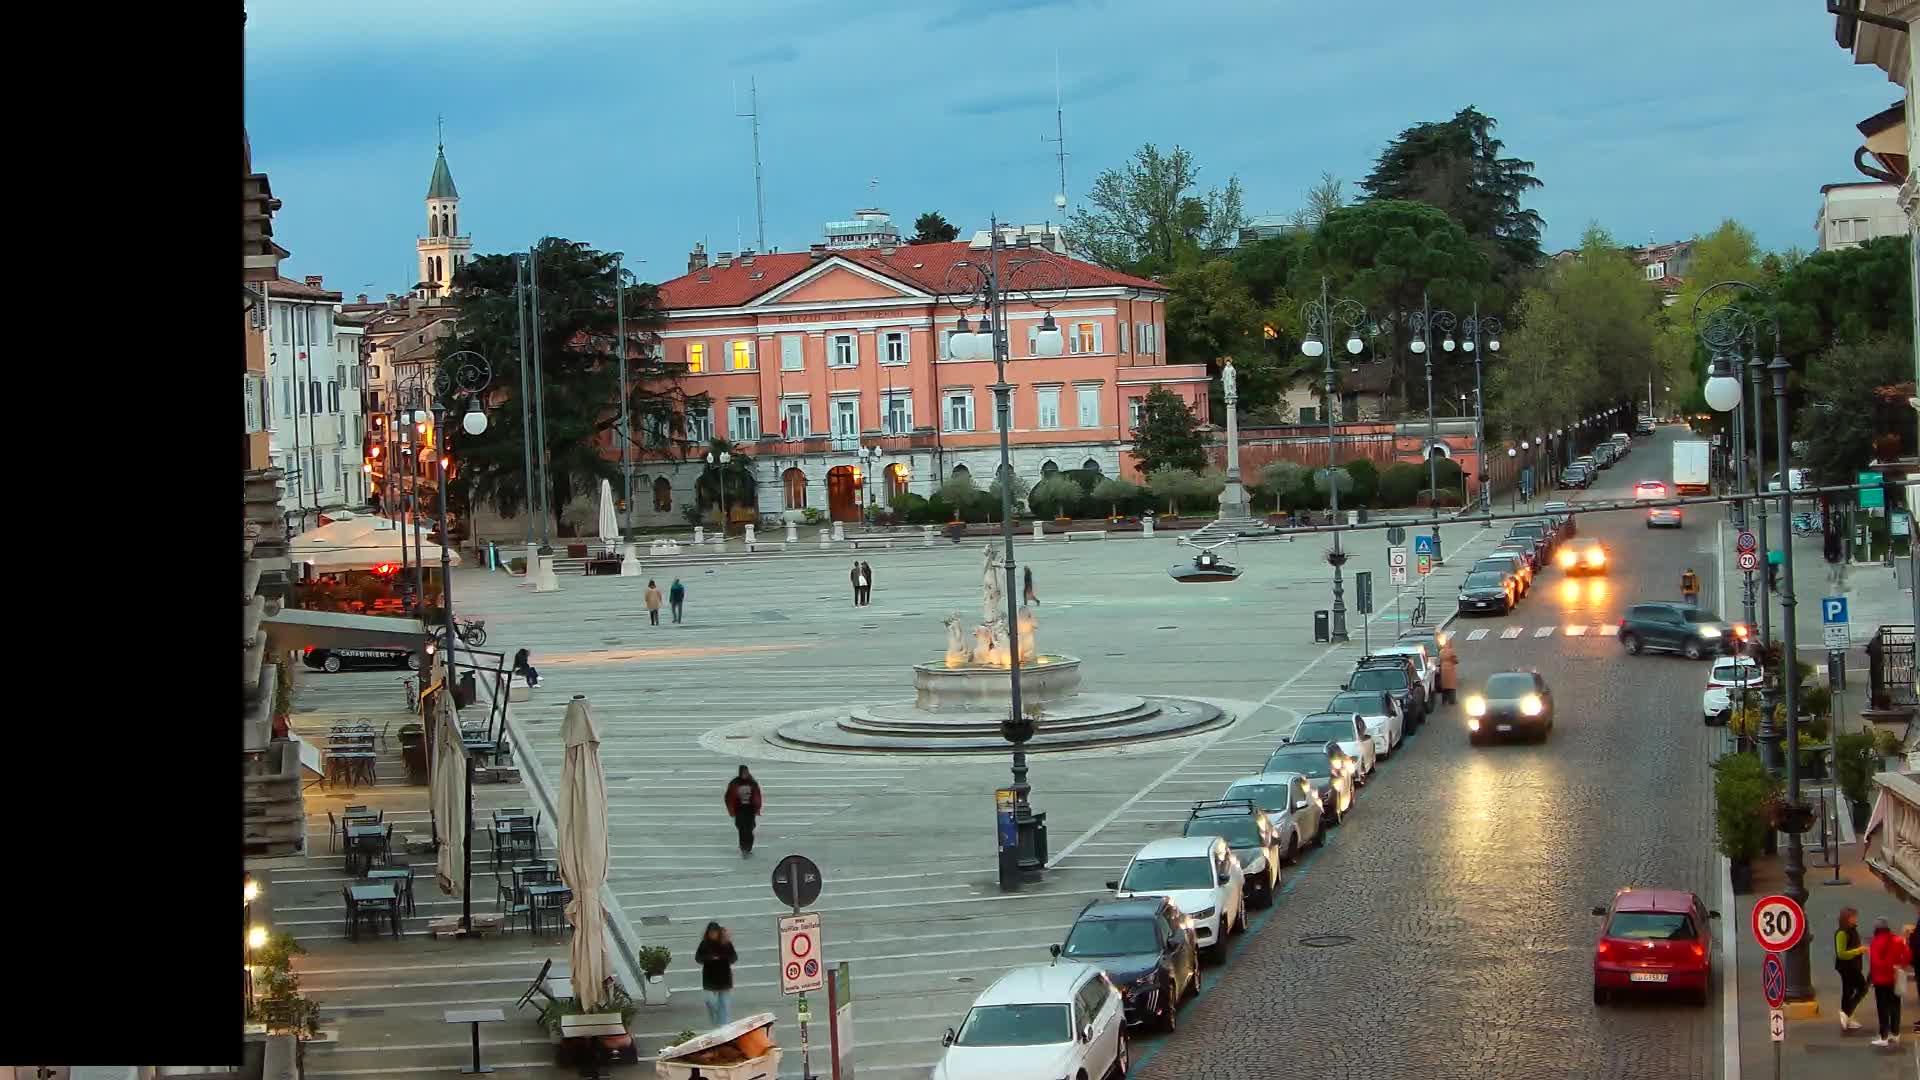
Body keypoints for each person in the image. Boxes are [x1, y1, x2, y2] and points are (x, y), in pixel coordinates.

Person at [1869, 915, 1913, 1047]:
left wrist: (1888, 969)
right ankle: (1895, 1033)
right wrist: (1900, 965)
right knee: (1895, 1006)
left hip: (1881, 980)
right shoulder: (1896, 939)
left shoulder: (1876, 941)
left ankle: (1884, 1036)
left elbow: (1876, 962)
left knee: (1883, 1008)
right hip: (1895, 979)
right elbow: (1908, 954)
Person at [694, 922, 737, 1028]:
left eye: (714, 932)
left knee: (725, 1004)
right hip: (709, 978)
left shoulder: (725, 943)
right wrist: (709, 958)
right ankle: (717, 1019)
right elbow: (698, 958)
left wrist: (723, 958)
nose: (713, 935)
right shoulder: (704, 944)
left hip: (724, 977)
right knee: (710, 1001)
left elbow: (733, 957)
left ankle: (724, 1024)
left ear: (718, 933)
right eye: (711, 933)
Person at [1836, 906, 1869, 1032]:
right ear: (1847, 919)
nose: (1856, 919)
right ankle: (1846, 1012)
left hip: (1853, 965)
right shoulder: (1842, 933)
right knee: (1862, 988)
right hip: (1847, 967)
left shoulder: (1852, 930)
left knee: (1848, 991)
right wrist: (1859, 950)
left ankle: (1847, 1016)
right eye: (1853, 917)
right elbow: (1841, 953)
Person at [723, 766, 763, 856]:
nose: (745, 774)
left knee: (749, 828)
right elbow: (728, 797)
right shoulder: (735, 783)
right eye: (743, 772)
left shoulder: (752, 783)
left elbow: (757, 796)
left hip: (750, 809)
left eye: (746, 772)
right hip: (739, 809)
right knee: (741, 829)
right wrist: (731, 810)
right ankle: (743, 847)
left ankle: (748, 847)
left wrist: (757, 808)